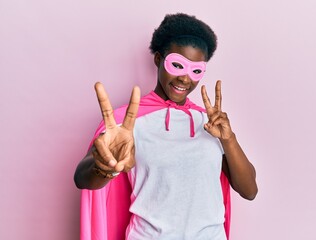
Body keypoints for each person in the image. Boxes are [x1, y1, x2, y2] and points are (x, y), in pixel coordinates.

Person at [74, 13, 257, 240]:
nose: (185, 79)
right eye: (177, 65)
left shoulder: (209, 123)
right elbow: (81, 178)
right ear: (159, 59)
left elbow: (249, 190)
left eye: (196, 70)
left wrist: (229, 139)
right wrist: (105, 166)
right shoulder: (127, 122)